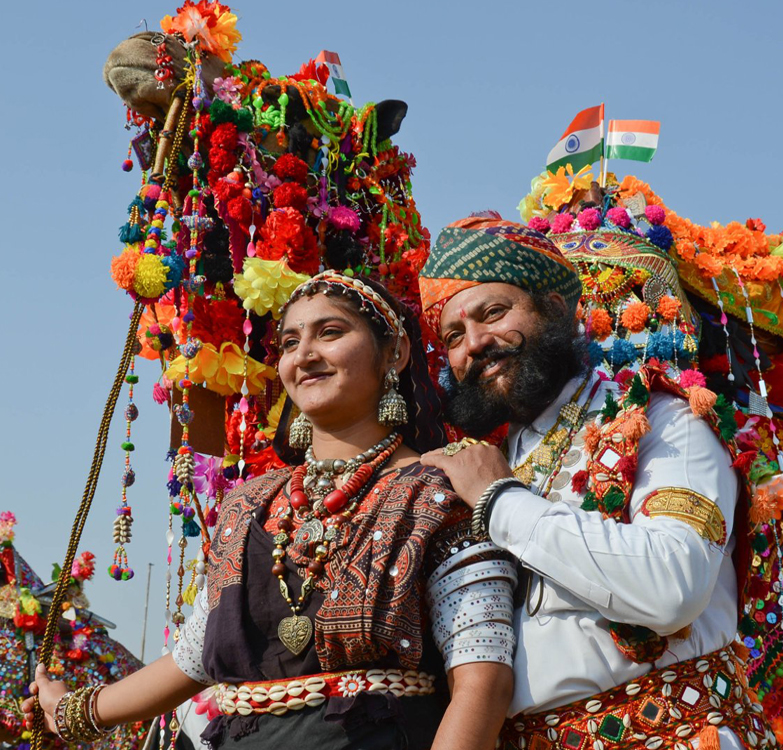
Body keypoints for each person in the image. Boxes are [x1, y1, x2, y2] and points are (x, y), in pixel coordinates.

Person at [27, 271, 515, 749]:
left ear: (395, 352)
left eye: (330, 332)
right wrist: (71, 713)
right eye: (288, 343)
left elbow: (483, 681)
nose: (304, 355)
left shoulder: (441, 492)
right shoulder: (249, 505)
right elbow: (196, 657)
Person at [417, 216, 774, 750]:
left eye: (493, 313)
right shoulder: (479, 463)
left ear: (556, 308)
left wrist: (501, 502)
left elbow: (672, 586)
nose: (475, 344)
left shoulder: (662, 419)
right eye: (453, 337)